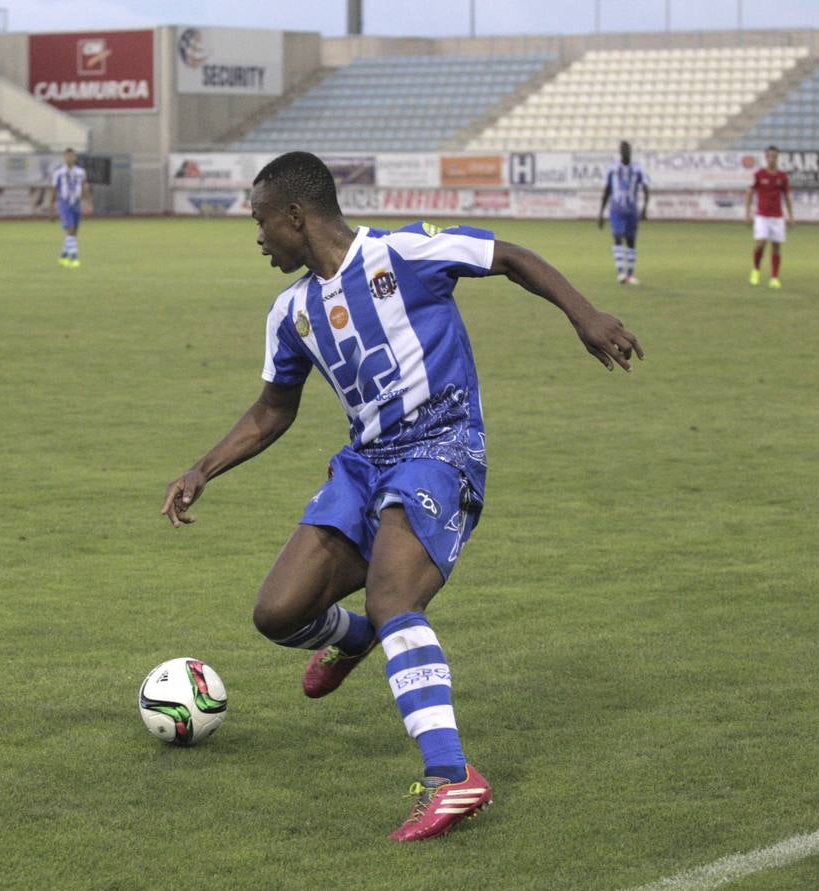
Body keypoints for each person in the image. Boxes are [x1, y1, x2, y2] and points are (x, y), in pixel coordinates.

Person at [161, 152, 642, 842]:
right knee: (279, 614)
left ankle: (452, 777)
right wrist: (203, 468)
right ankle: (360, 639)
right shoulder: (291, 312)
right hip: (365, 465)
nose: (259, 238)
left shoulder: (402, 251)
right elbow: (274, 409)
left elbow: (509, 256)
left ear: (296, 215)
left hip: (443, 447)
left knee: (395, 598)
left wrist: (585, 315)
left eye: (262, 221)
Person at [597, 140, 649, 285]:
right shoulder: (612, 169)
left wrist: (644, 208)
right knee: (618, 236)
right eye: (623, 149)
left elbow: (645, 188)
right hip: (616, 209)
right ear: (620, 152)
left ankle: (630, 275)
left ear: (630, 151)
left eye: (627, 149)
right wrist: (601, 213)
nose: (625, 151)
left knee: (631, 241)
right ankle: (621, 272)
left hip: (632, 210)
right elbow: (607, 190)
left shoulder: (638, 169)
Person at [745, 145, 793, 289]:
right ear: (766, 157)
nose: (772, 159)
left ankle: (774, 277)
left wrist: (791, 216)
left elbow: (787, 197)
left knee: (776, 247)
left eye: (774, 156)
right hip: (762, 216)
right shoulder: (759, 174)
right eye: (769, 156)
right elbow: (750, 193)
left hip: (777, 217)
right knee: (760, 244)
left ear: (777, 158)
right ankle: (756, 270)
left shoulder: (782, 176)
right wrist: (747, 213)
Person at [48, 148, 91, 268]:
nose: (70, 158)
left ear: (75, 157)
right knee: (70, 229)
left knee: (74, 232)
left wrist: (87, 202)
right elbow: (54, 189)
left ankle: (63, 257)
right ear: (64, 158)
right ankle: (74, 258)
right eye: (67, 156)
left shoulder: (81, 172)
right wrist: (51, 207)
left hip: (76, 203)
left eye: (72, 156)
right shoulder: (59, 172)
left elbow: (85, 186)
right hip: (64, 203)